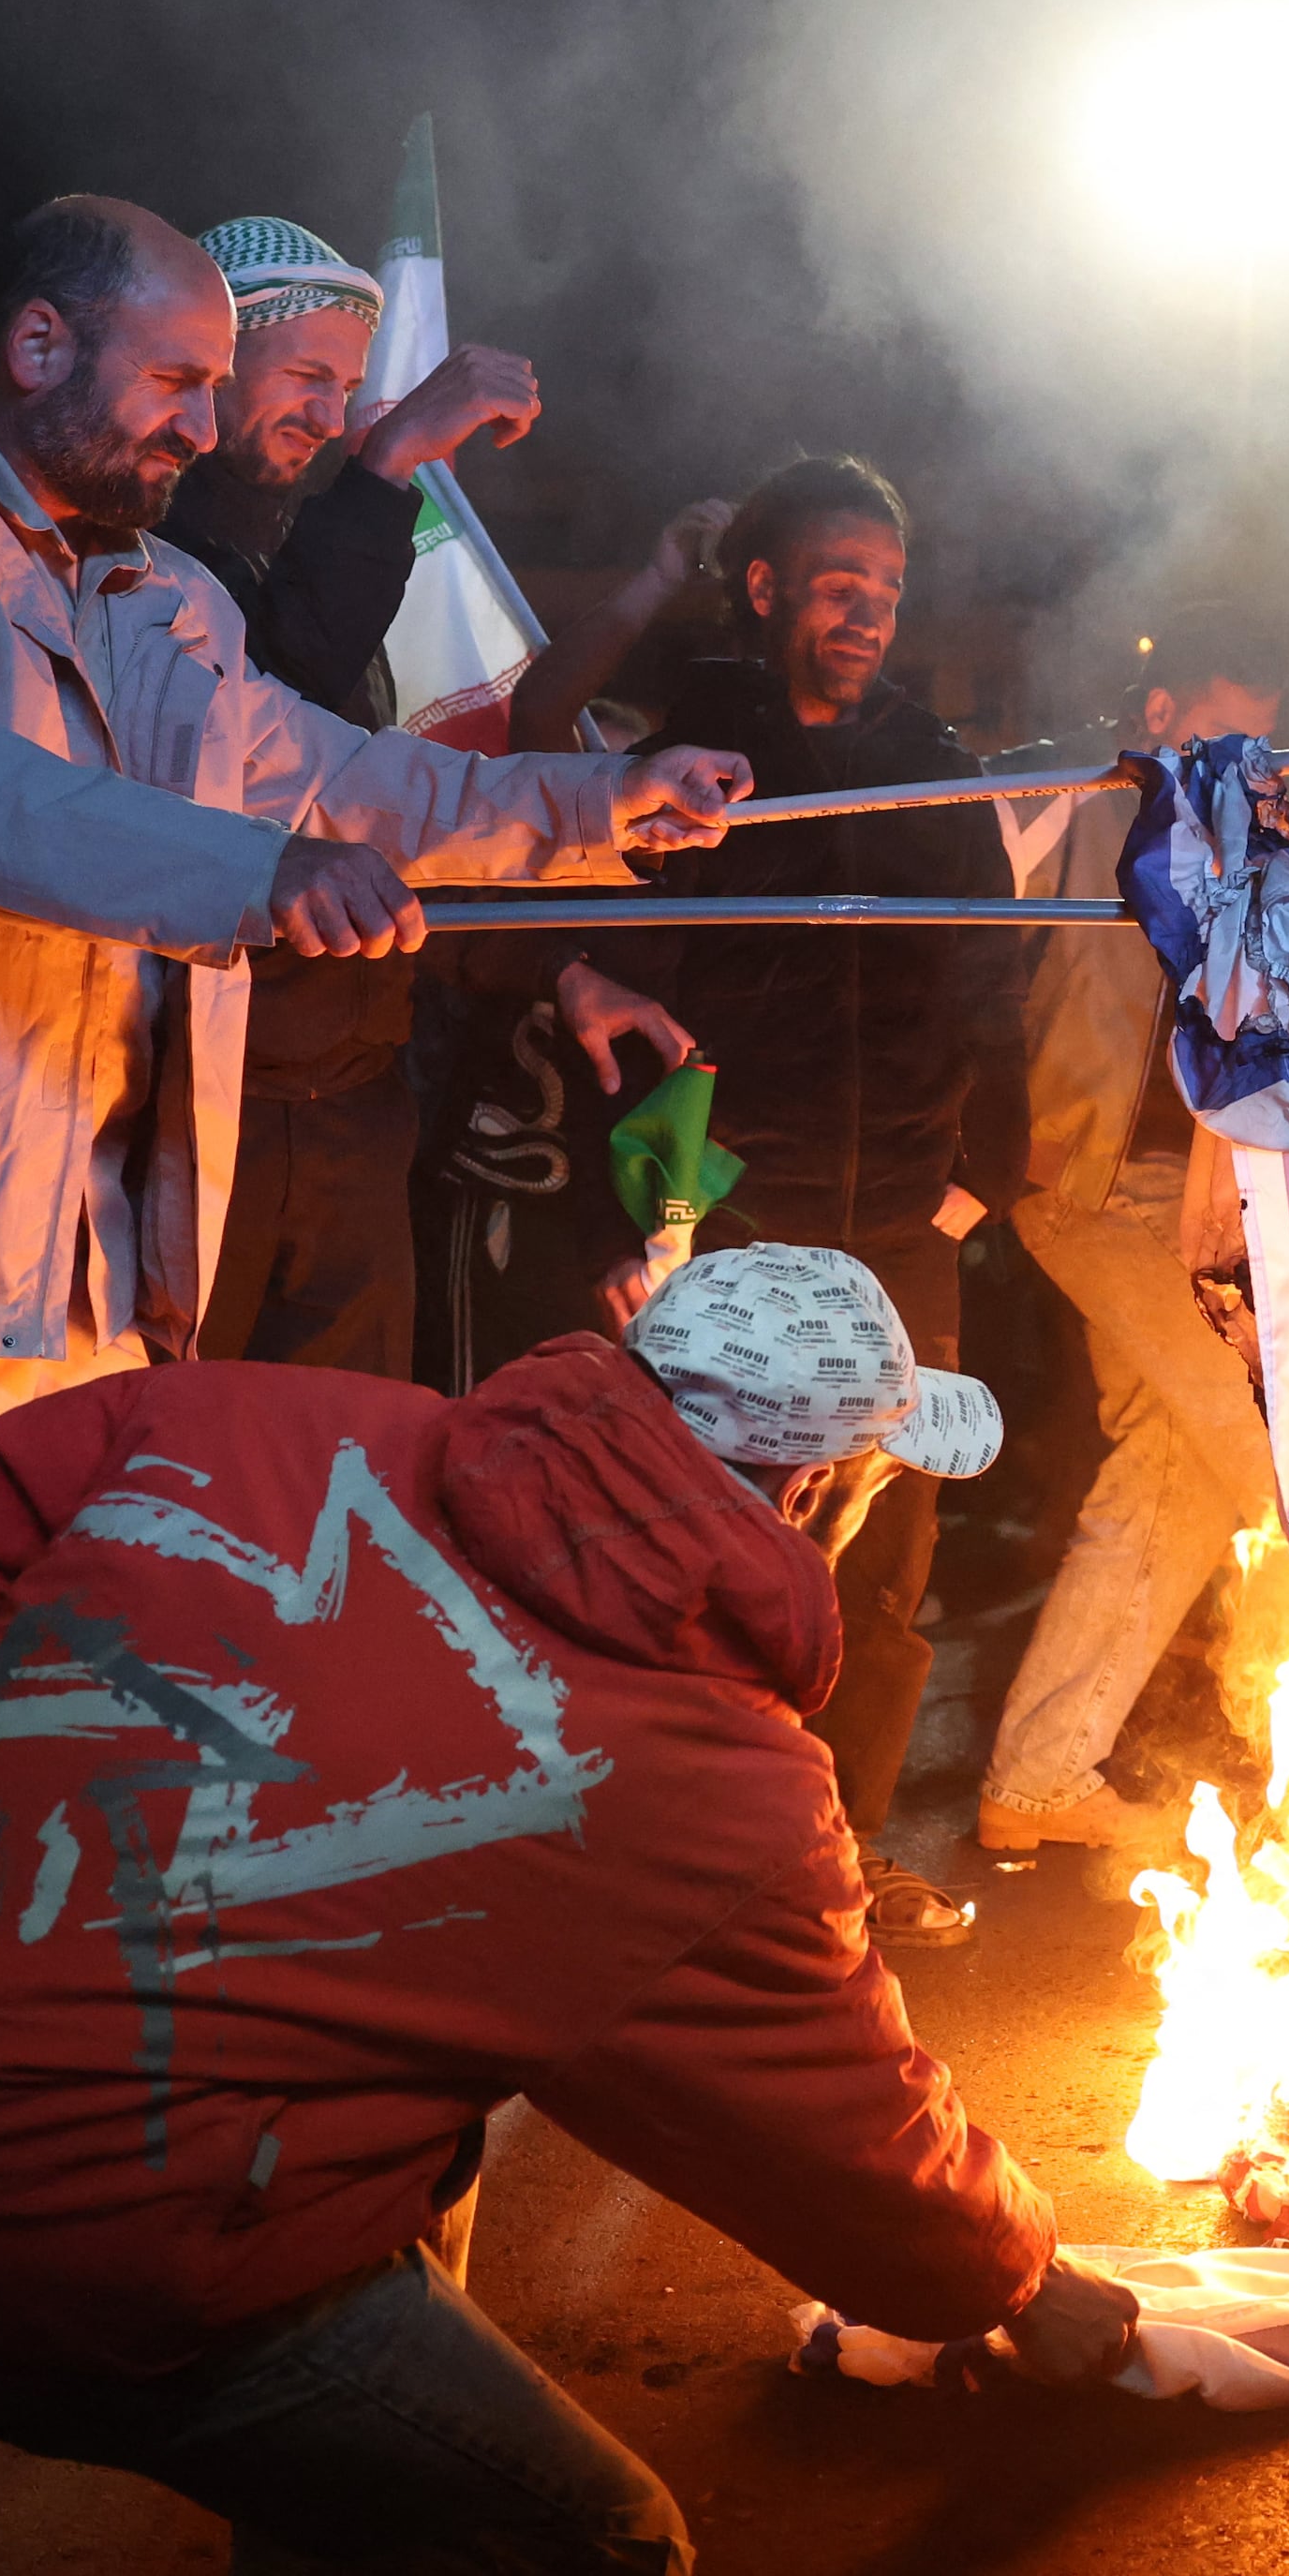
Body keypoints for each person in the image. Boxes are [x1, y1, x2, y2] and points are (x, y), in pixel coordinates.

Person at [0, 195, 761, 2406]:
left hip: (74, 1302)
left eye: (216, 390)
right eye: (171, 381)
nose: (203, 426)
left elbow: (349, 780)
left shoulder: (155, 597)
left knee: (3, 1798)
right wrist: (249, 878)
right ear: (37, 342)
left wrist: (600, 803)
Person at [0, 1248, 1126, 2576]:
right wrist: (1022, 2283)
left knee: (404, 2116)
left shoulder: (242, 1408)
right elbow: (850, 2143)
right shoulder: (720, 1786)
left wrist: (111, 1784)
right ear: (815, 1488)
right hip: (22, 2212)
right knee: (588, 2556)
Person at [497, 454, 1024, 1950]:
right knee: (705, 1553)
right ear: (767, 586)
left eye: (889, 590)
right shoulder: (690, 752)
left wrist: (981, 1180)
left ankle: (837, 1863)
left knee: (888, 1565)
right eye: (841, 584)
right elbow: (542, 758)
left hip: (906, 1222)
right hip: (733, 1223)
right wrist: (637, 1229)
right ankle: (680, 1865)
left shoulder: (929, 766)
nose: (868, 614)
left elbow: (997, 980)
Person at [157, 215, 689, 1377]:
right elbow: (267, 745)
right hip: (194, 1106)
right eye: (306, 375)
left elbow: (381, 824)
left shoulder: (308, 549)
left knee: (347, 1454)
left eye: (349, 392)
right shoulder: (138, 555)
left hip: (351, 1098)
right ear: (207, 358)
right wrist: (388, 464)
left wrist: (551, 969)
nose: (331, 415)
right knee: (185, 1451)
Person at [975, 612, 1289, 1851]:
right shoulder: (1070, 800)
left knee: (1168, 1476)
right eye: (1218, 736)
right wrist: (983, 1147)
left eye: (1256, 746)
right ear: (1159, 714)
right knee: (1276, 1462)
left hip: (1195, 1195)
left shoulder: (1257, 831)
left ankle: (1038, 1781)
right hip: (1086, 1177)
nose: (1238, 766)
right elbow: (964, 958)